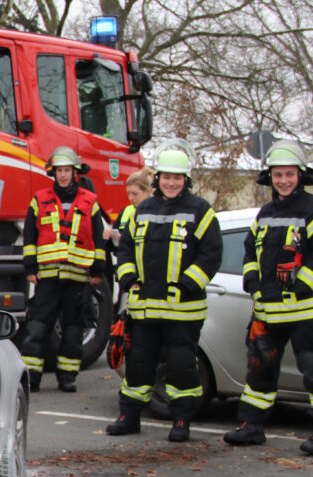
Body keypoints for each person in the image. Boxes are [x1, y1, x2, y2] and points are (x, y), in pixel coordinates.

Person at [223, 140, 313, 456]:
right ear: (270, 177)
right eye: (278, 175)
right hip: (266, 312)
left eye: (289, 174)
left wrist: (301, 284)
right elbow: (250, 249)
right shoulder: (265, 212)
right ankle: (251, 426)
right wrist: (251, 279)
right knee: (259, 369)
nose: (284, 180)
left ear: (300, 175)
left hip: (304, 312)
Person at [107, 139, 221, 441]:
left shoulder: (201, 211)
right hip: (145, 308)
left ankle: (181, 420)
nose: (171, 183)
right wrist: (128, 277)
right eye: (166, 177)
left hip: (183, 309)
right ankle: (129, 416)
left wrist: (189, 282)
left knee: (182, 366)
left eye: (177, 178)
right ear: (157, 179)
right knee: (139, 365)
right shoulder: (142, 210)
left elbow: (211, 254)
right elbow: (127, 248)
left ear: (186, 180)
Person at [19, 146, 108, 392]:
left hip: (78, 278)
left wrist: (97, 271)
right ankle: (32, 378)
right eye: (59, 171)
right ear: (53, 173)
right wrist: (30, 267)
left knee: (73, 330)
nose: (63, 175)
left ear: (74, 172)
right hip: (47, 277)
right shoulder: (40, 199)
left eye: (67, 170)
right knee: (37, 326)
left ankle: (67, 377)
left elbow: (98, 239)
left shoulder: (90, 202)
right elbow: (30, 235)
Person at [108, 167, 154, 246]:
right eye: (128, 193)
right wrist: (110, 238)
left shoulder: (158, 213)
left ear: (148, 191)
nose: (130, 198)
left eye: (135, 194)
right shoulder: (126, 211)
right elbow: (115, 249)